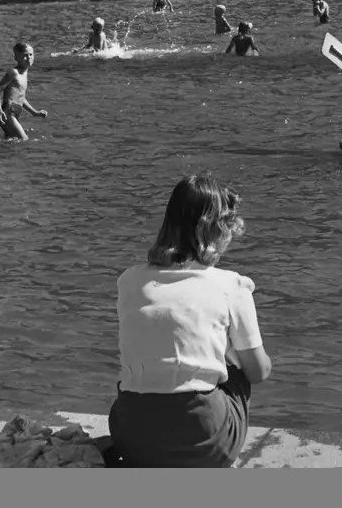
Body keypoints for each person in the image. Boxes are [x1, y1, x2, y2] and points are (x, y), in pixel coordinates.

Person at [108, 173, 272, 467]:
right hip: (204, 442)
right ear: (218, 230)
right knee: (234, 366)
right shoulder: (231, 286)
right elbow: (258, 372)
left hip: (131, 437)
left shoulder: (129, 280)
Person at [0, 41, 47, 141]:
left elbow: (21, 97)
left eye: (31, 54)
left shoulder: (24, 74)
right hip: (7, 113)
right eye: (25, 55)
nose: (29, 57)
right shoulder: (14, 73)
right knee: (24, 139)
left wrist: (34, 113)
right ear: (16, 58)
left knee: (11, 141)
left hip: (15, 112)